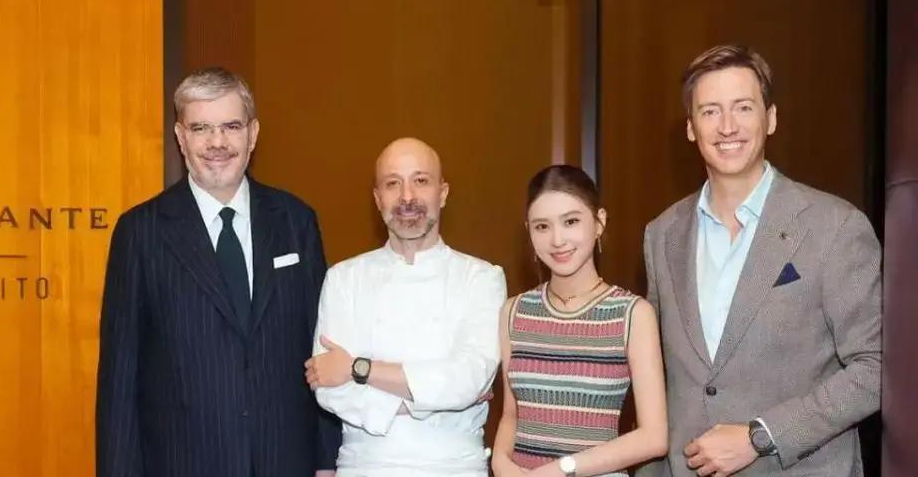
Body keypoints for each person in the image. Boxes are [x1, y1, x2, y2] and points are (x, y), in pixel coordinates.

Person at [639, 45, 882, 476]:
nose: (727, 126)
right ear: (691, 128)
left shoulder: (835, 226)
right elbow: (660, 380)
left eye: (743, 107)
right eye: (710, 111)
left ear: (770, 118)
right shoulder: (662, 235)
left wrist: (762, 435)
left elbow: (878, 368)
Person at [96, 67, 340, 477]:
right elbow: (119, 377)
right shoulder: (141, 232)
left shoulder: (296, 221)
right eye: (201, 128)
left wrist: (328, 459)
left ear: (253, 134)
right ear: (180, 137)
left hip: (284, 461)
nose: (217, 143)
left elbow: (320, 343)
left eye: (231, 126)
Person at [305, 137, 506, 476]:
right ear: (377, 198)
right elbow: (329, 389)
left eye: (421, 180)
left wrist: (357, 368)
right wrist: (438, 398)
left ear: (443, 193)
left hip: (455, 468)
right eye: (392, 184)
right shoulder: (343, 278)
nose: (407, 197)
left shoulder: (483, 278)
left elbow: (467, 380)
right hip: (364, 466)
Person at [493, 165, 668, 477]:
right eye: (542, 226)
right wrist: (501, 462)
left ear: (599, 222)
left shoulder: (632, 313)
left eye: (571, 221)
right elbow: (511, 414)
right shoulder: (514, 311)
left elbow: (653, 437)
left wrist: (562, 469)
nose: (557, 240)